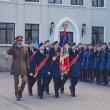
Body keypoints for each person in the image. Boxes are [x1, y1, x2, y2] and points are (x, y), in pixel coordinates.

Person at [7, 35, 28, 101]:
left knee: (24, 81)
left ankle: (20, 91)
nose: (20, 41)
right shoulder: (14, 48)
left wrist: (27, 65)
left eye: (21, 40)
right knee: (16, 82)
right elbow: (8, 52)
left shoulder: (25, 48)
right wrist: (13, 45)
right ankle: (17, 95)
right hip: (15, 67)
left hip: (23, 67)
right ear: (16, 41)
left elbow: (27, 58)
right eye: (19, 40)